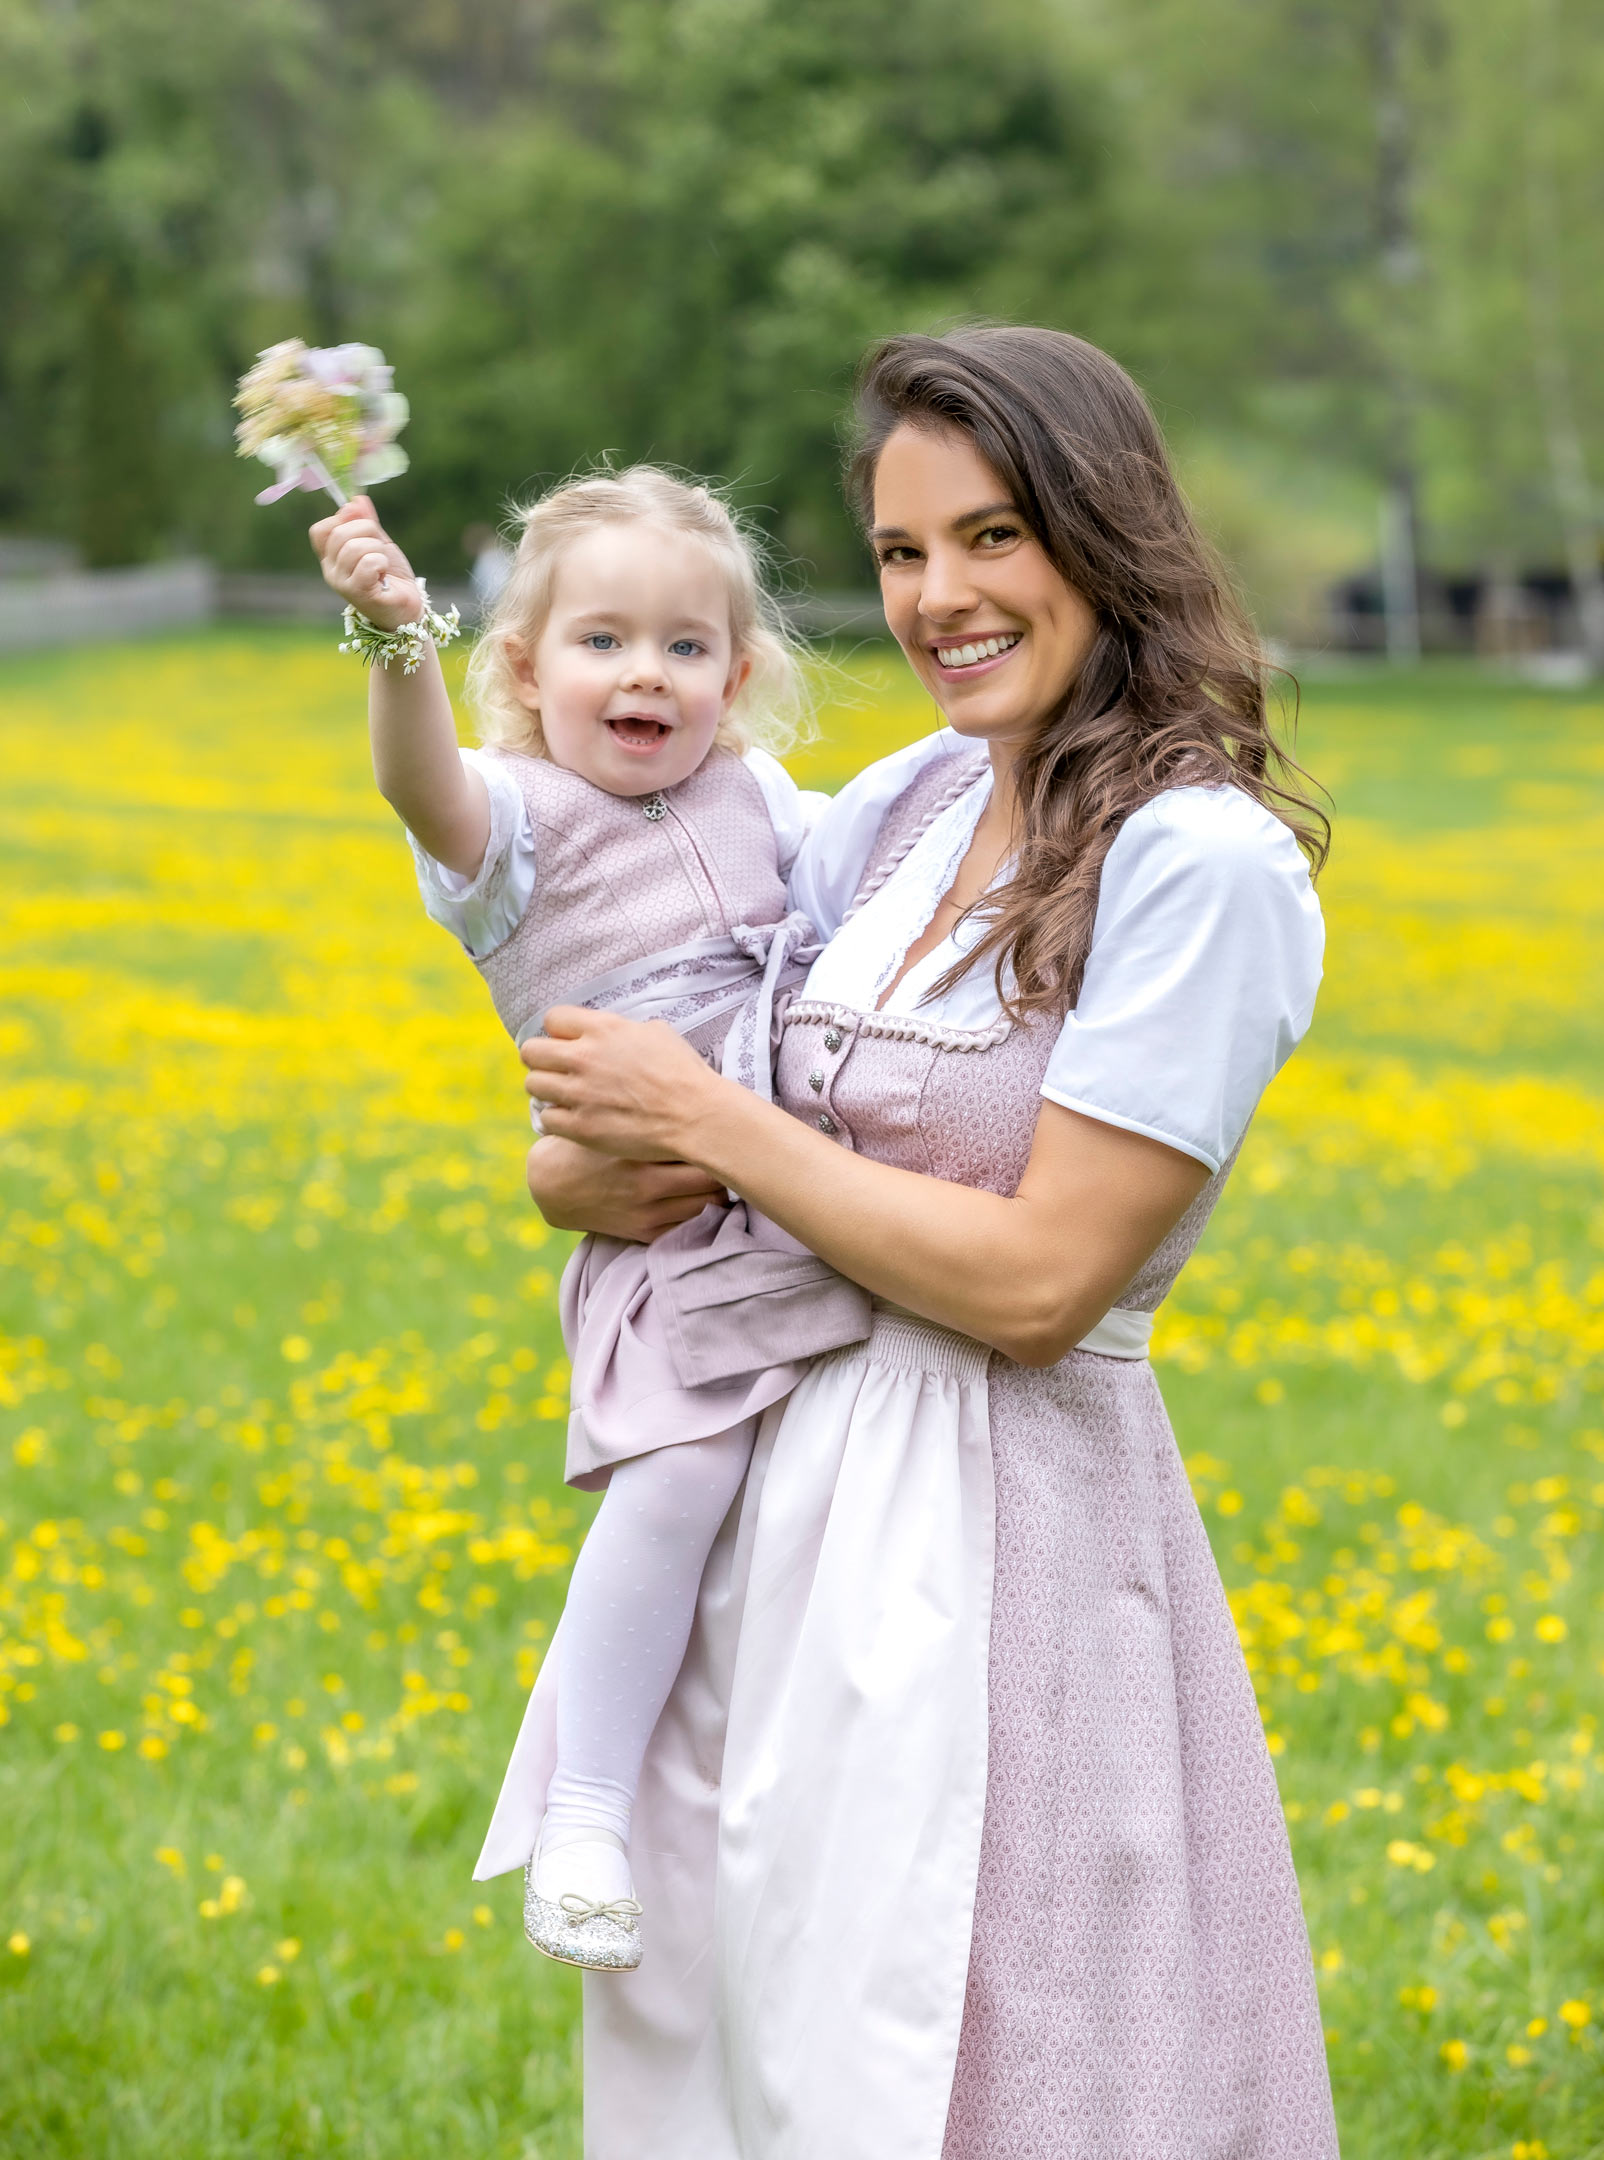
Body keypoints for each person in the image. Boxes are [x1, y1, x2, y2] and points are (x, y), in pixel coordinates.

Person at [506, 328, 1341, 2158]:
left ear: (1103, 534)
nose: (938, 598)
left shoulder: (1198, 866)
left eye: (991, 537)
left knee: (974, 2061)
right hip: (769, 1512)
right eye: (898, 553)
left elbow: (1045, 1285)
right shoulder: (893, 809)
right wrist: (579, 1169)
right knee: (747, 2050)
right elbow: (678, 1067)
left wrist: (710, 1128)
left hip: (1005, 1544)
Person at [310, 467, 871, 1972]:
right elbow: (415, 785)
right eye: (603, 642)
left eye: (687, 648)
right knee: (678, 1482)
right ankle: (582, 1816)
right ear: (525, 669)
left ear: (737, 679)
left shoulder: (765, 798)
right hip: (672, 1234)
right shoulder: (515, 829)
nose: (647, 675)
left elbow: (891, 857)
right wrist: (395, 642)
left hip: (812, 1188)